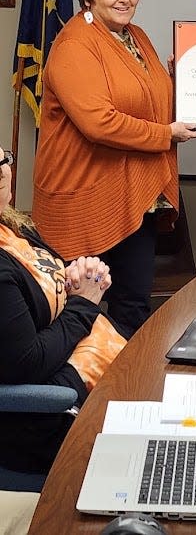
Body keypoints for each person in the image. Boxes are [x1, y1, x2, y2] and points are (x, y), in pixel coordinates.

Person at [33, 0, 196, 339]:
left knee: (132, 306)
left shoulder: (135, 36)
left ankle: (121, 391)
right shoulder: (74, 45)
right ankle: (74, 395)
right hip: (85, 199)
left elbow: (151, 102)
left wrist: (187, 78)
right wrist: (165, 136)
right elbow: (99, 123)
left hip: (134, 201)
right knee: (74, 311)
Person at [0, 147, 126, 475]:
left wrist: (76, 277)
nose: (1, 171)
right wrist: (84, 303)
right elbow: (26, 364)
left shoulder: (13, 226)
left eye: (3, 159)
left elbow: (44, 298)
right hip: (42, 418)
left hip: (88, 373)